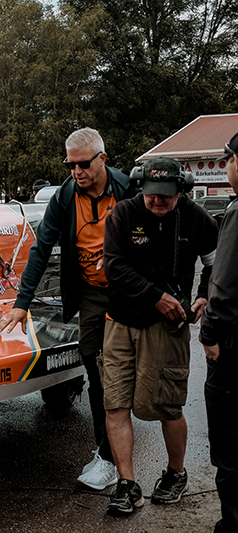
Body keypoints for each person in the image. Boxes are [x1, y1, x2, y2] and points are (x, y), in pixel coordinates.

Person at [0, 127, 137, 491]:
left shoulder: (127, 189)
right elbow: (40, 251)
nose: (76, 171)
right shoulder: (64, 197)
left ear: (102, 159)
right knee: (95, 368)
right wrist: (21, 305)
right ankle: (106, 456)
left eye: (83, 164)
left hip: (126, 291)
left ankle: (118, 448)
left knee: (123, 374)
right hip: (90, 293)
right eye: (70, 164)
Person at [102, 156, 218, 515]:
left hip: (166, 330)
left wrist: (203, 294)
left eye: (166, 197)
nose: (157, 202)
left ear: (180, 190)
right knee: (115, 403)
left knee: (167, 404)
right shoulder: (123, 214)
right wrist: (157, 297)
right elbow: (114, 266)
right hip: (120, 321)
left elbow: (217, 262)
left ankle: (176, 473)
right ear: (141, 186)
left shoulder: (198, 218)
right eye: (152, 195)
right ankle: (127, 483)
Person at [200, 133, 238, 533]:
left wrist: (208, 335)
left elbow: (223, 288)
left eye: (226, 159)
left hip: (233, 349)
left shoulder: (237, 212)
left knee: (229, 448)